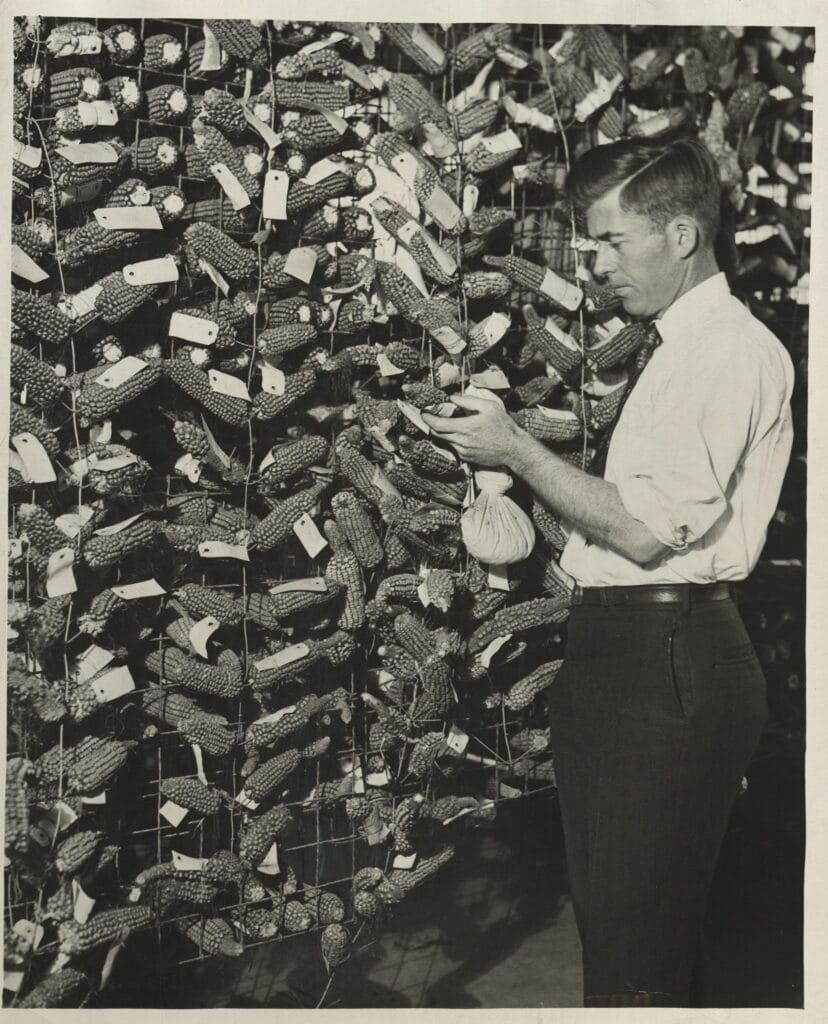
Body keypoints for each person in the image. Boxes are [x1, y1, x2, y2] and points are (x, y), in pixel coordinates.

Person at [422, 133, 795, 1007]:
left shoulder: (728, 354)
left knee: (637, 954)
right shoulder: (676, 349)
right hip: (627, 651)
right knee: (628, 937)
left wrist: (515, 447)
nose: (595, 267)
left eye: (611, 242)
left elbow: (641, 531)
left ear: (680, 236)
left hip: (668, 654)